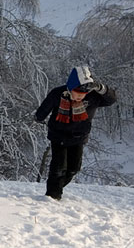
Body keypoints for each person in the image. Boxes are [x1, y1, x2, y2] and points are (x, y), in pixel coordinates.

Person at [35, 65, 117, 200]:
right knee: (58, 167)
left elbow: (111, 100)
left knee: (74, 168)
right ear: (70, 88)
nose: (80, 97)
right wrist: (39, 117)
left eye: (83, 94)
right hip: (58, 135)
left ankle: (57, 188)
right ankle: (52, 196)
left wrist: (101, 88)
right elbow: (45, 107)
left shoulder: (93, 97)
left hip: (79, 137)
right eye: (77, 94)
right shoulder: (58, 94)